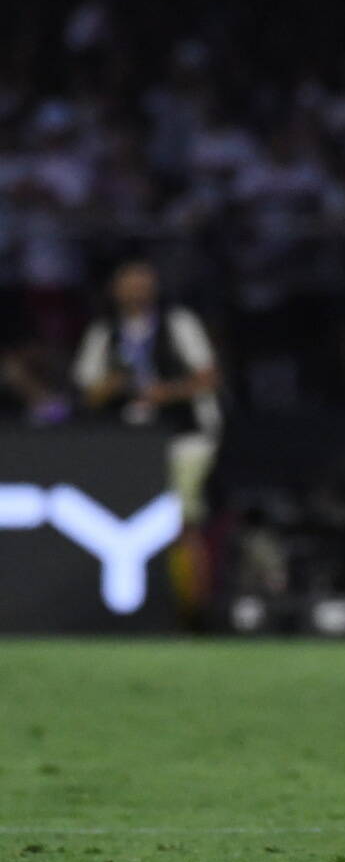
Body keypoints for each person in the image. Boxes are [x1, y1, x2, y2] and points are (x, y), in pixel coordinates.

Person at [72, 257, 221, 623]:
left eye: (143, 280)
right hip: (129, 442)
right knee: (125, 518)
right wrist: (114, 384)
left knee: (182, 521)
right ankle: (132, 608)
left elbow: (209, 377)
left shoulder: (177, 323)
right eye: (129, 281)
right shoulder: (104, 332)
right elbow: (86, 393)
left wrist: (164, 393)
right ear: (114, 289)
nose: (137, 288)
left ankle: (193, 612)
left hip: (183, 437)